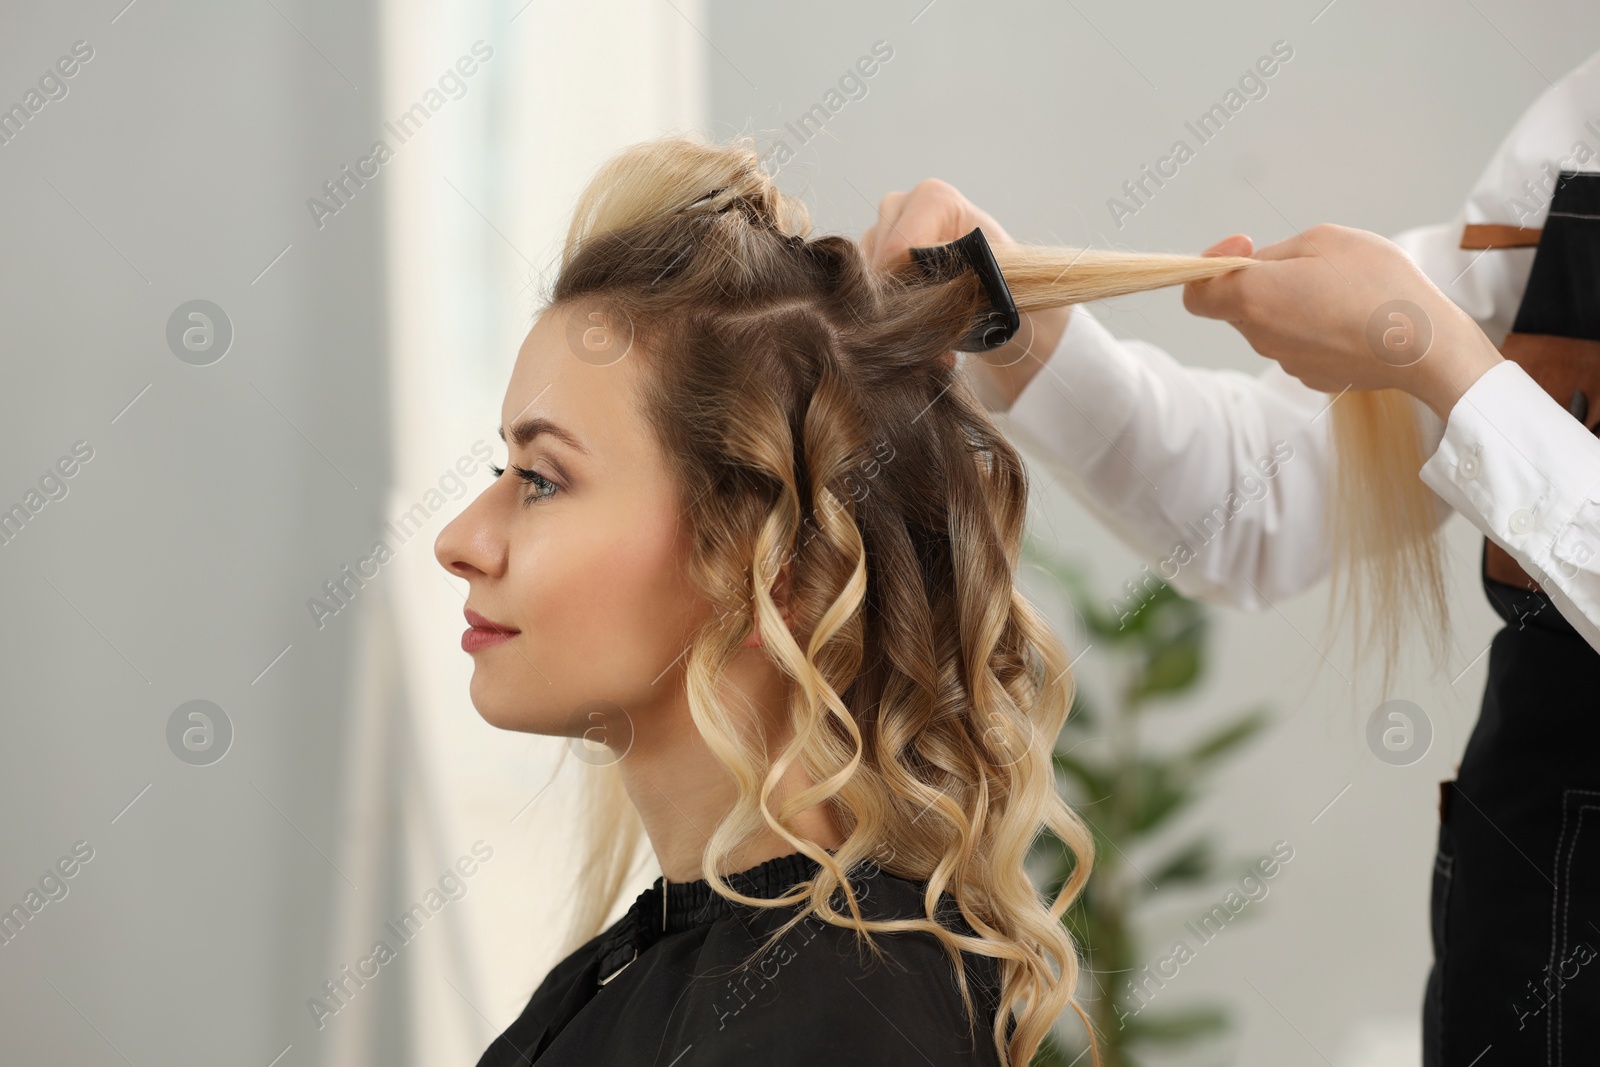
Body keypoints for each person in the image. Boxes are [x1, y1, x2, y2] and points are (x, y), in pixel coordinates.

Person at [430, 134, 1257, 1065]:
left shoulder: (838, 1021)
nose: (458, 539)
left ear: (770, 559)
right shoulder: (682, 971)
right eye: (505, 466)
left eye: (540, 478)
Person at [862, 47, 1600, 1067]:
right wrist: (1006, 318)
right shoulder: (1578, 126)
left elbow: (1444, 373)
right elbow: (1256, 504)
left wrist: (1433, 354)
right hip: (1520, 937)